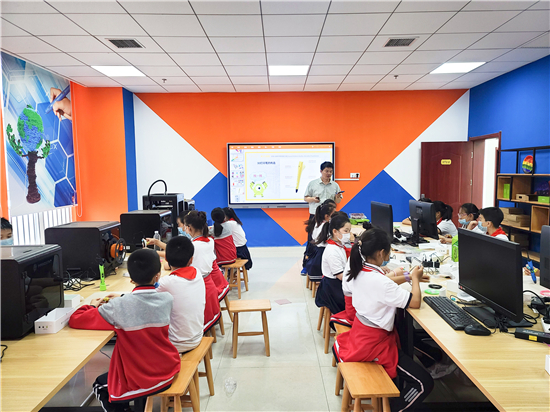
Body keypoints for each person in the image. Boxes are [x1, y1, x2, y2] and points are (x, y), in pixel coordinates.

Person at [333, 228, 433, 411]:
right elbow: (415, 302)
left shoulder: (359, 270)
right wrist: (415, 280)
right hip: (374, 344)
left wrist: (408, 277)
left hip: (362, 334)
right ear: (381, 253)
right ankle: (396, 408)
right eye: (388, 252)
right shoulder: (379, 281)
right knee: (424, 382)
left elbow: (384, 284)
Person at [69, 249, 181, 412]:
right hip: (168, 369)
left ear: (131, 279)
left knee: (100, 386)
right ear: (157, 276)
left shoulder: (118, 307)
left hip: (141, 378)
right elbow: (143, 305)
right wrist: (122, 298)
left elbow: (76, 319)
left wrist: (92, 305)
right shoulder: (167, 298)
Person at [159, 236, 206, 353]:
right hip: (198, 335)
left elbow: (143, 296)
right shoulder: (198, 273)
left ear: (166, 258)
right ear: (191, 259)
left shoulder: (167, 283)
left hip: (176, 343)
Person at [183, 211, 224, 332]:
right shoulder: (209, 241)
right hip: (209, 286)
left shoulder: (193, 246)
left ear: (189, 228)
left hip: (197, 288)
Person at [314, 213, 352, 315]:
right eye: (346, 231)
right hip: (332, 289)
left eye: (349, 231)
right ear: (335, 231)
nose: (348, 234)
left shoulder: (339, 245)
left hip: (337, 285)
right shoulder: (332, 250)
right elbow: (340, 276)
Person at [302, 200, 336, 275]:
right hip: (321, 256)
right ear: (327, 216)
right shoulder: (326, 226)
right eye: (334, 214)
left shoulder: (317, 223)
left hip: (317, 253)